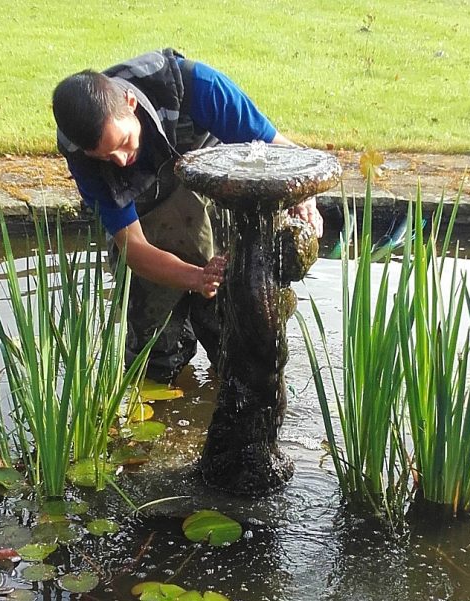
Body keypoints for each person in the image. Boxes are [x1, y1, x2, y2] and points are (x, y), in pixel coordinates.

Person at [52, 48, 322, 380]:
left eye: (123, 142)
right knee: (153, 355)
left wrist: (304, 200)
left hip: (210, 203)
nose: (121, 160)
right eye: (107, 156)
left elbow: (280, 150)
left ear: (131, 104)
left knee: (234, 343)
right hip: (146, 221)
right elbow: (133, 248)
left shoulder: (199, 85)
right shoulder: (81, 152)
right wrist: (195, 277)